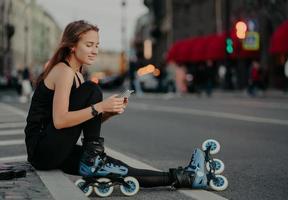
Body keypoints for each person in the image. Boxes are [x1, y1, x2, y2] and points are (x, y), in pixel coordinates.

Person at [24, 20, 209, 190]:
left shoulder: (78, 74)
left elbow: (81, 122)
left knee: (121, 170)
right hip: (42, 148)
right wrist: (101, 107)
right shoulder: (63, 71)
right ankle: (93, 157)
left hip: (52, 148)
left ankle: (184, 177)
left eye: (97, 45)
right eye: (89, 45)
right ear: (72, 46)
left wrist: (109, 112)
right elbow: (60, 121)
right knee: (92, 89)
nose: (95, 50)